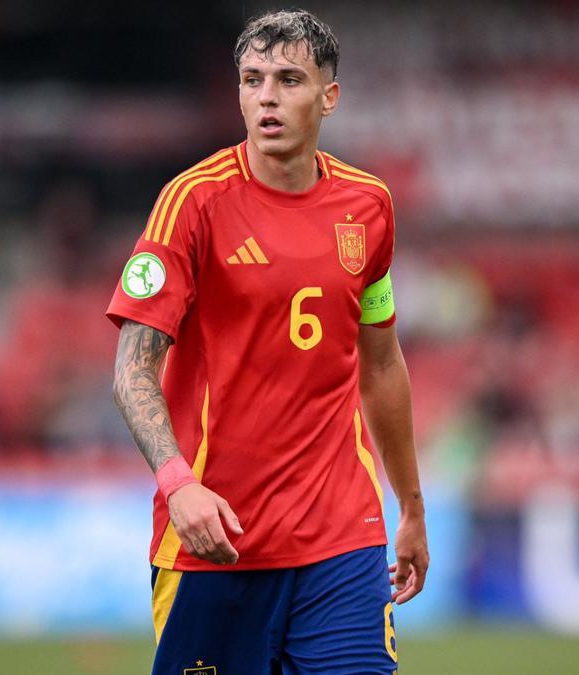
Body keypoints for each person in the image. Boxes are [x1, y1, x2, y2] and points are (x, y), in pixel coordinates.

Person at [107, 9, 428, 674]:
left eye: (288, 79)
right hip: (215, 535)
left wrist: (412, 507)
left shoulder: (367, 207)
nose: (267, 97)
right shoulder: (191, 202)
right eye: (252, 80)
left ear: (328, 97)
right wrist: (179, 484)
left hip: (342, 534)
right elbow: (133, 370)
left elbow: (382, 364)